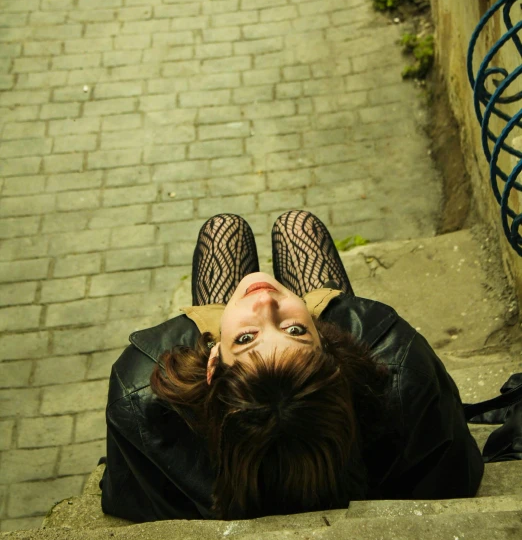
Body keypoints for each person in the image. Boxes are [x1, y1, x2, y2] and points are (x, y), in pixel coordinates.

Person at [100, 210, 484, 522]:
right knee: (297, 226)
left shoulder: (139, 394)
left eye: (246, 339)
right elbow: (456, 467)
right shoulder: (400, 369)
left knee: (223, 230)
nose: (265, 304)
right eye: (297, 331)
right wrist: (267, 335)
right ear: (330, 345)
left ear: (212, 361)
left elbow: (129, 493)